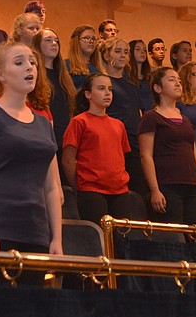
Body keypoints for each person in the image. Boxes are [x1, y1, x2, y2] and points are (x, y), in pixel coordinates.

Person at [0, 42, 63, 285]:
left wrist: (56, 238)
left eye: (31, 61)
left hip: (36, 233)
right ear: (0, 75)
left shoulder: (43, 123)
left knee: (31, 315)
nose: (29, 67)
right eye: (19, 63)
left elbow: (51, 188)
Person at [62, 73, 144, 225]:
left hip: (119, 190)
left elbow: (121, 157)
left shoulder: (118, 125)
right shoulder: (79, 122)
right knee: (99, 237)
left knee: (121, 239)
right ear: (88, 94)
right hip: (91, 189)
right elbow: (67, 159)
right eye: (101, 88)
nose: (107, 93)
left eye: (110, 89)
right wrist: (78, 185)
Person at [138, 67, 196, 225]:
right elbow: (146, 156)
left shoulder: (185, 119)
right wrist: (155, 190)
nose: (178, 83)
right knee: (175, 236)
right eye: (171, 80)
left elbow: (194, 155)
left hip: (192, 184)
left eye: (179, 80)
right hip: (168, 183)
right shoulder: (151, 117)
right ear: (158, 88)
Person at [98, 38, 145, 196]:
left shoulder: (132, 86)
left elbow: (137, 114)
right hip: (113, 142)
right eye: (117, 51)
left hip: (133, 142)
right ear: (106, 55)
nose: (122, 55)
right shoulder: (102, 82)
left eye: (126, 52)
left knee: (137, 191)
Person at [33, 29, 76, 167]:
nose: (54, 44)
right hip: (43, 138)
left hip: (64, 139)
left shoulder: (64, 77)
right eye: (48, 40)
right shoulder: (34, 75)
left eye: (56, 41)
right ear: (37, 44)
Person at [66, 25, 101, 90]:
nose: (91, 41)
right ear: (76, 41)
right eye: (87, 38)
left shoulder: (98, 69)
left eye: (94, 38)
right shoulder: (66, 66)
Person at [127, 39, 152, 111]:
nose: (142, 52)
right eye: (138, 49)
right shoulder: (126, 76)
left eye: (144, 50)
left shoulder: (149, 76)